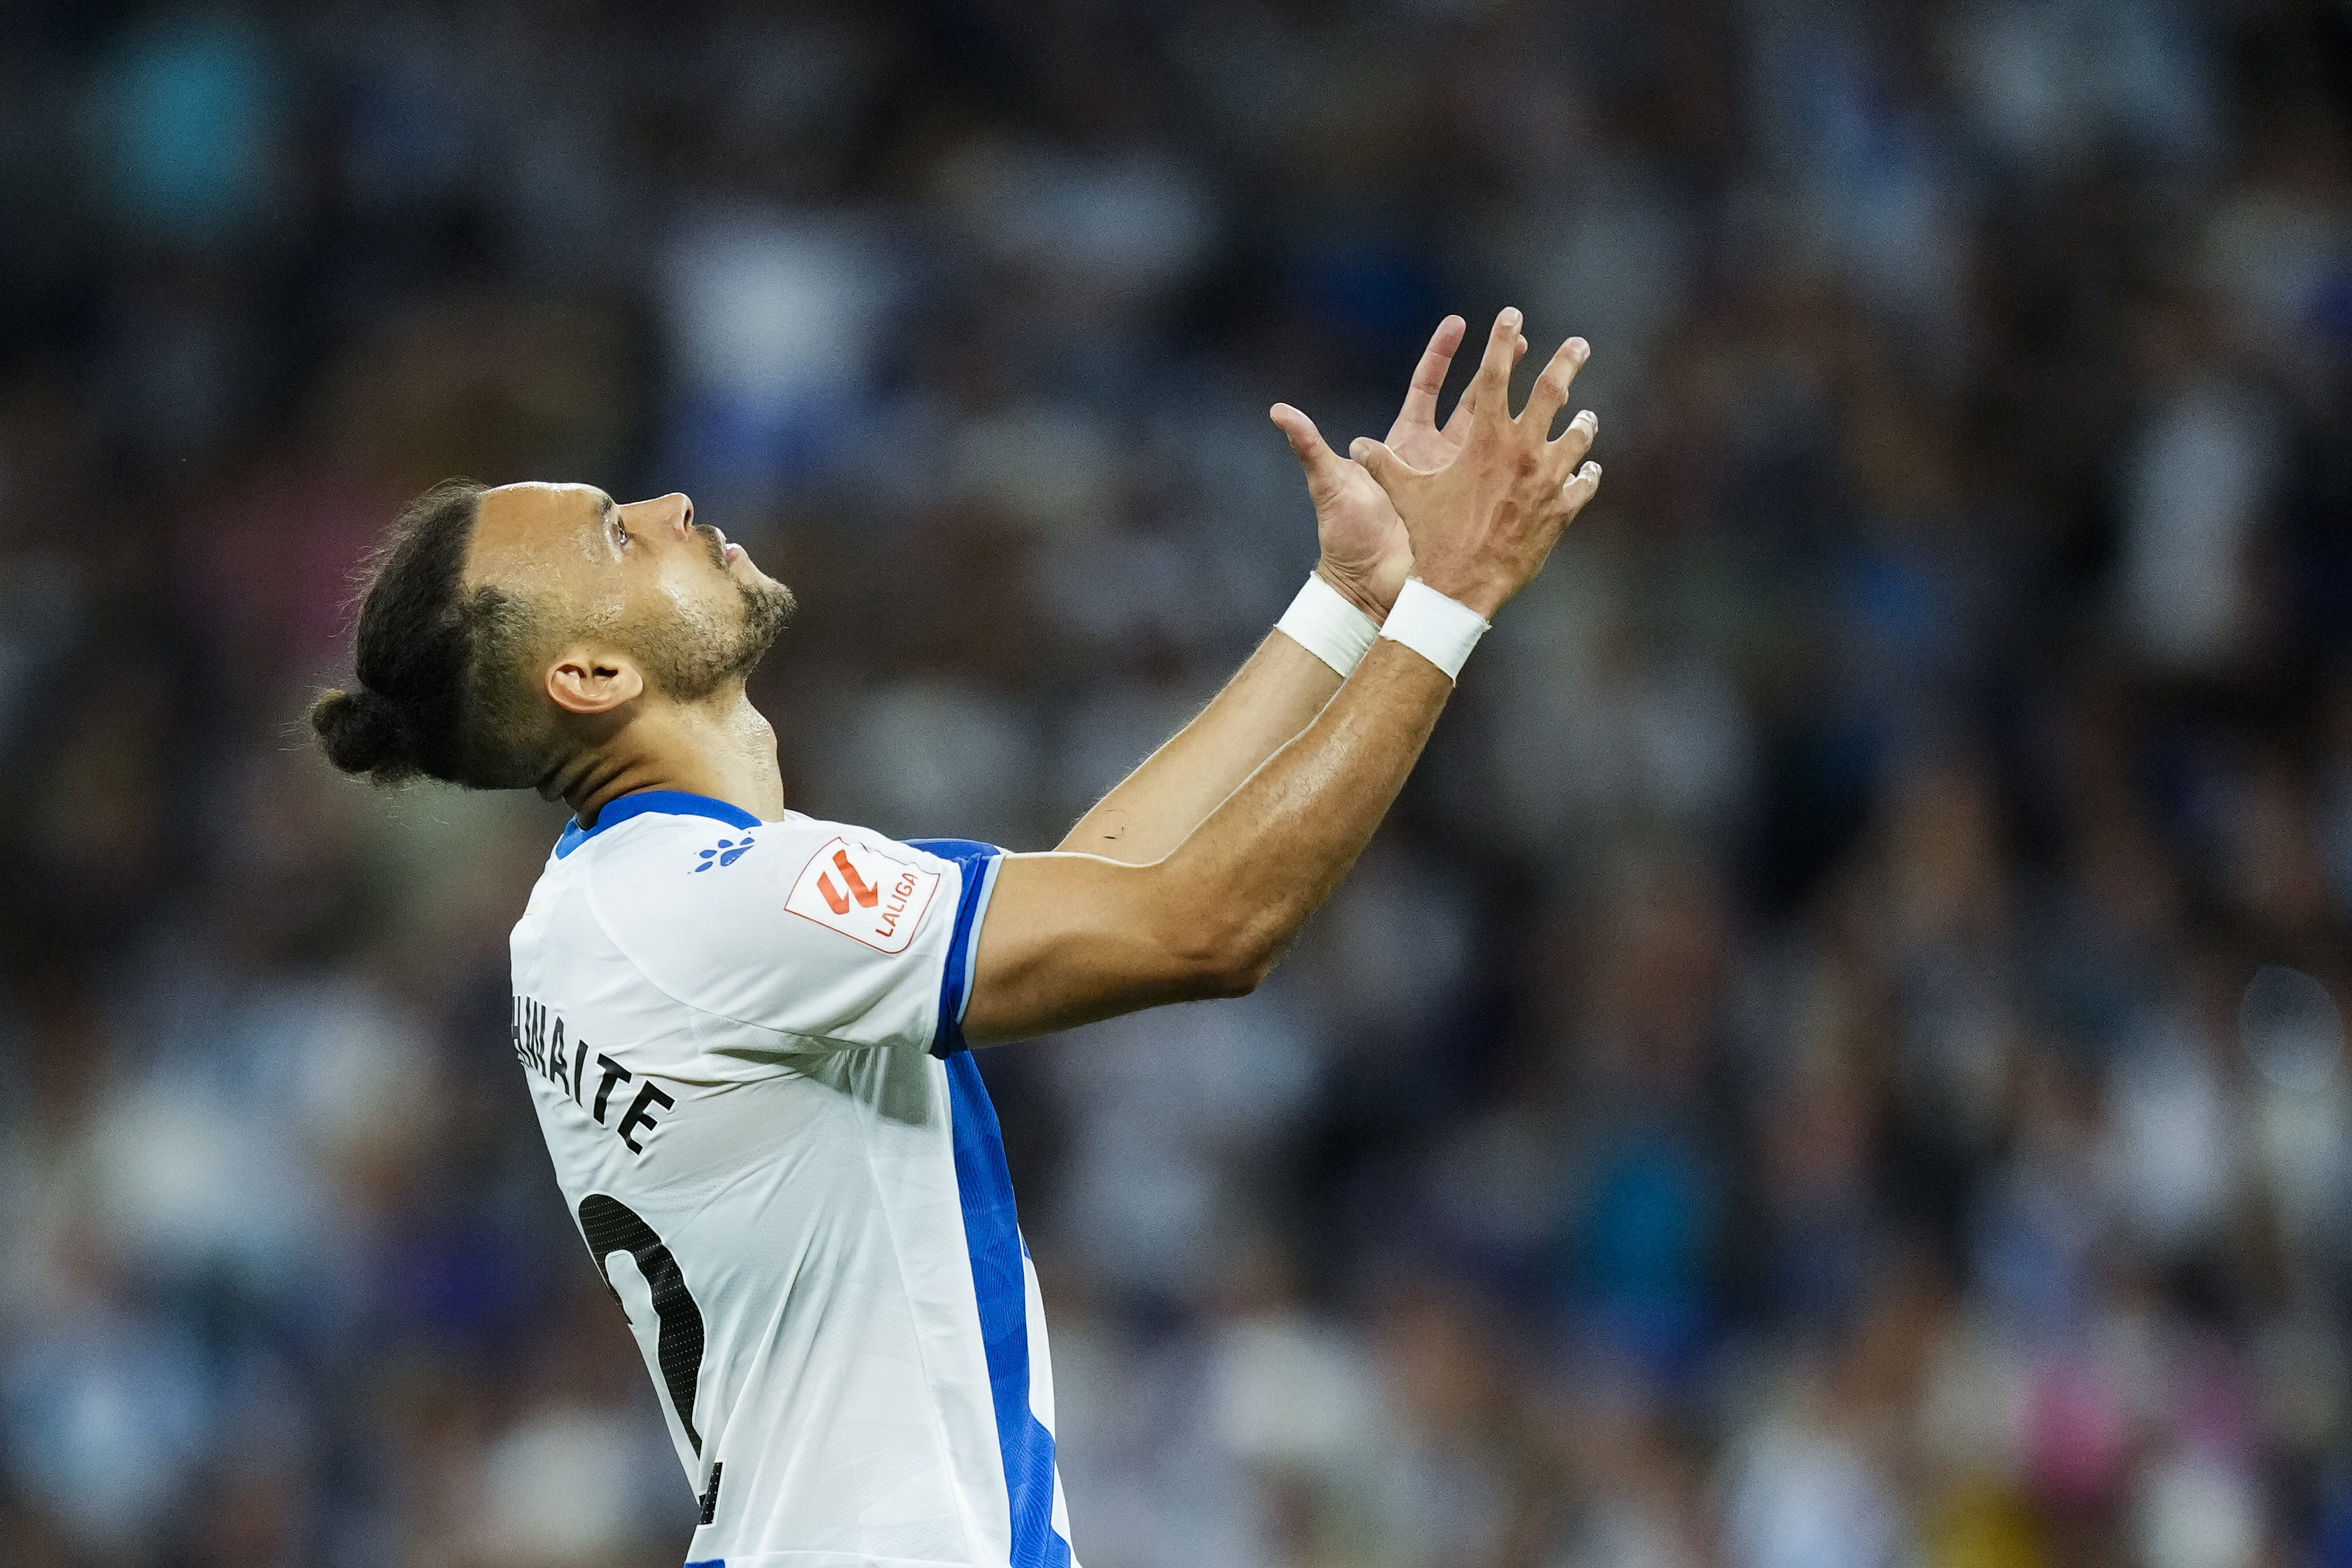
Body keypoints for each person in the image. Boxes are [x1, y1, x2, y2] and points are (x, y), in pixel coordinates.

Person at [308, 307, 1601, 1568]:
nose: (668, 509)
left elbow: (1099, 883)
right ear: (589, 679)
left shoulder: (632, 905)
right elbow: (1204, 929)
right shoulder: (709, 905)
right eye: (613, 533)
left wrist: (1350, 602)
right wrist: (1453, 603)